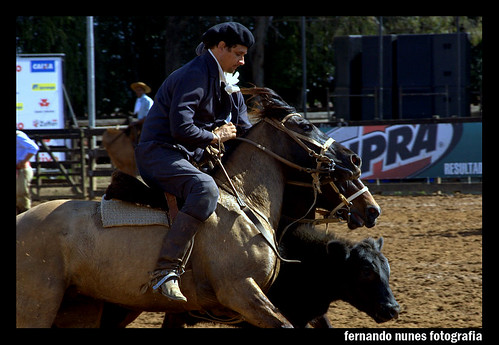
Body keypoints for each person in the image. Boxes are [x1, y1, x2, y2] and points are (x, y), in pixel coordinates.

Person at [135, 22, 254, 302]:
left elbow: (245, 130)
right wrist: (215, 136)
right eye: (238, 53)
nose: (242, 61)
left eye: (245, 55)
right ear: (220, 47)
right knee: (205, 189)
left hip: (188, 156)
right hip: (160, 153)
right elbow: (181, 128)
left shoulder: (228, 82)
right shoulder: (195, 74)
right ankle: (165, 270)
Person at [16, 130, 39, 214]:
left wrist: (23, 161)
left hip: (21, 169)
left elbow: (33, 147)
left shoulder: (18, 136)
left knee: (21, 193)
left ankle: (24, 214)